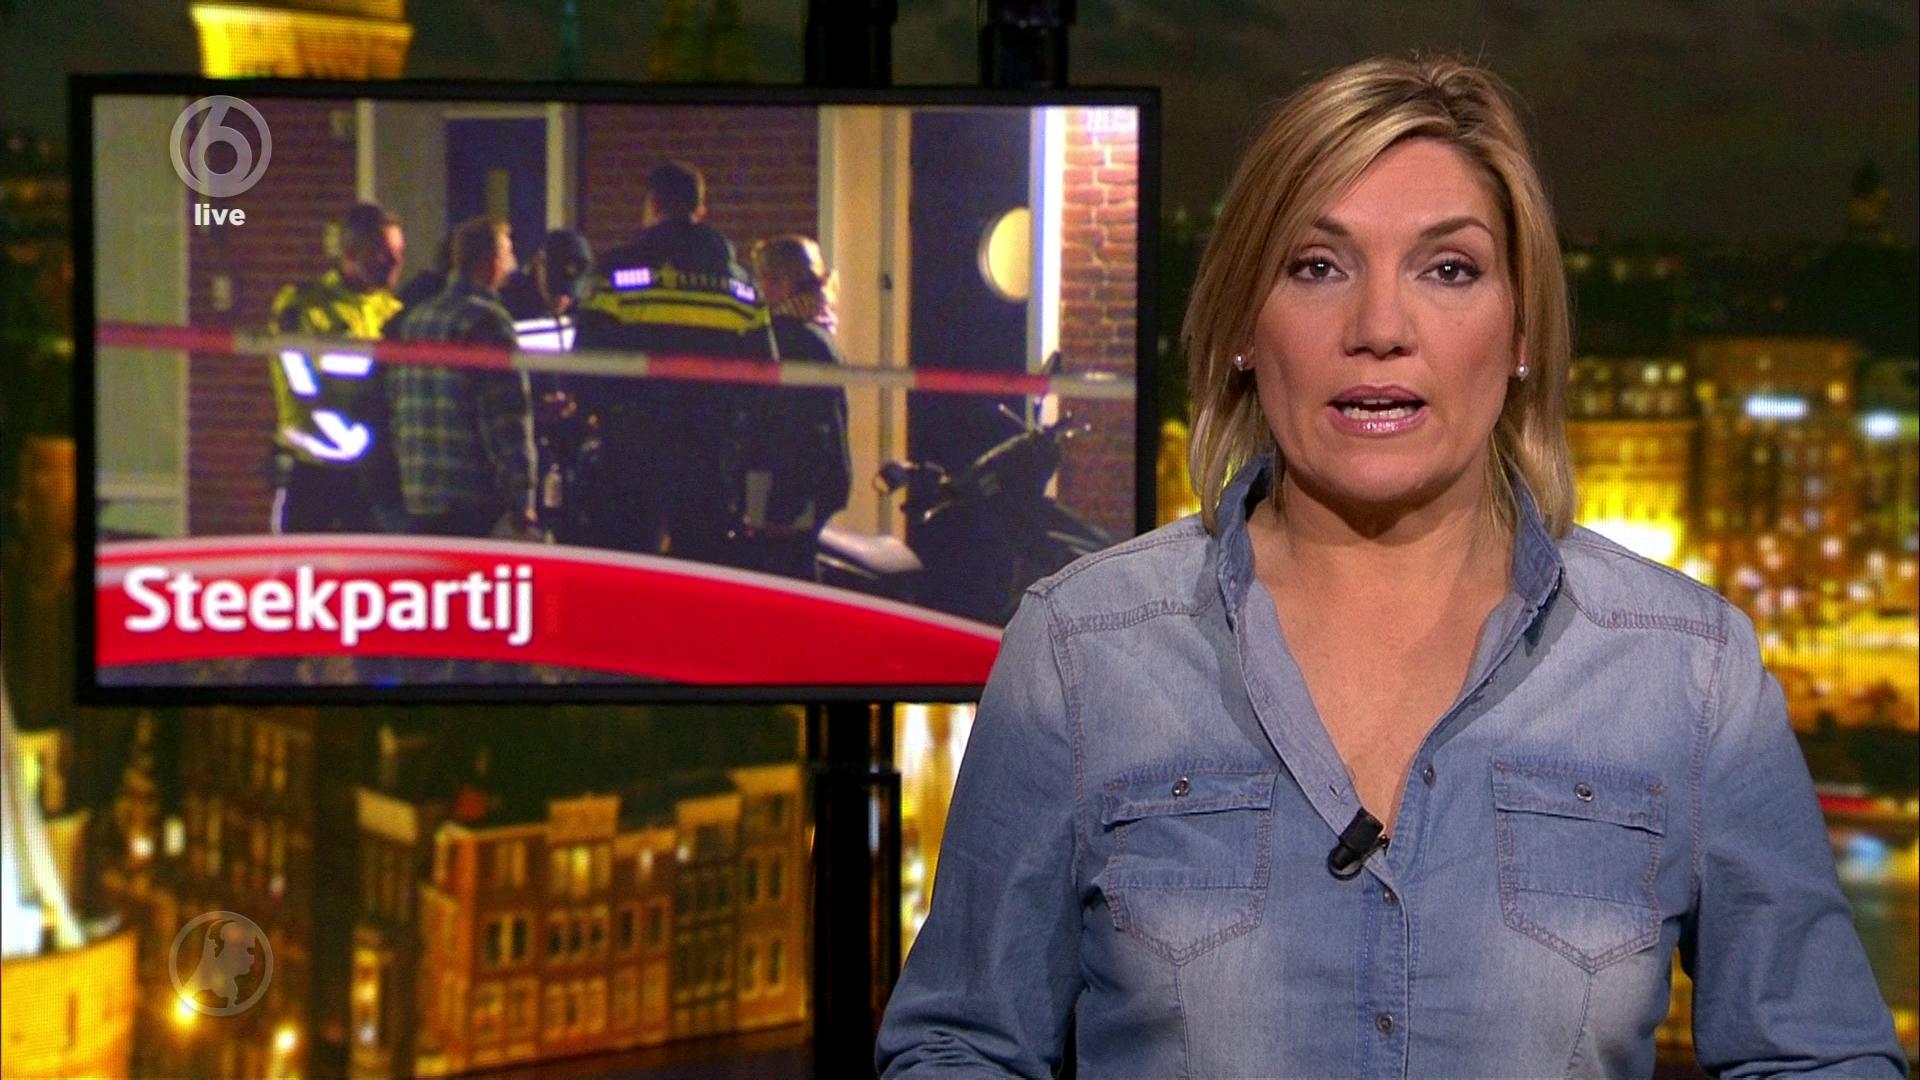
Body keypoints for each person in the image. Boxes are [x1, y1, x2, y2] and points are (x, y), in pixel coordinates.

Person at [875, 56, 1907, 1078]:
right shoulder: (1079, 650)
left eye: (1447, 270)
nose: (1378, 331)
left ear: (1522, 332)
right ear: (1242, 327)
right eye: (1315, 267)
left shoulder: (1691, 668)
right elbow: (956, 1046)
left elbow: (1819, 1057)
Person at [569, 160, 777, 561]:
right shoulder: (741, 287)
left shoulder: (616, 274)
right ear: (701, 210)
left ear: (653, 204)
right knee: (700, 573)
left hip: (631, 456)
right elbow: (764, 376)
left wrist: (597, 416)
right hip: (709, 456)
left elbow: (586, 366)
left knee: (630, 573)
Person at [382, 215, 538, 539]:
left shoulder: (416, 319)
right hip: (473, 500)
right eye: (508, 255)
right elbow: (505, 419)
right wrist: (522, 497)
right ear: (492, 262)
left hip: (419, 495)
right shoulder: (488, 322)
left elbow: (395, 404)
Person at [266, 202, 406, 533]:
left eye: (399, 252)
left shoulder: (395, 311)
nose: (394, 262)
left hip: (371, 472)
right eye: (381, 252)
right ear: (350, 252)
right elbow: (302, 387)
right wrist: (343, 437)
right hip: (313, 466)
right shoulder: (305, 305)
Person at [742, 234, 852, 579]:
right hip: (813, 485)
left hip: (786, 489)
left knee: (782, 578)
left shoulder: (787, 341)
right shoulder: (817, 333)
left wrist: (782, 506)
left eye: (762, 278)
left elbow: (797, 427)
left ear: (781, 282)